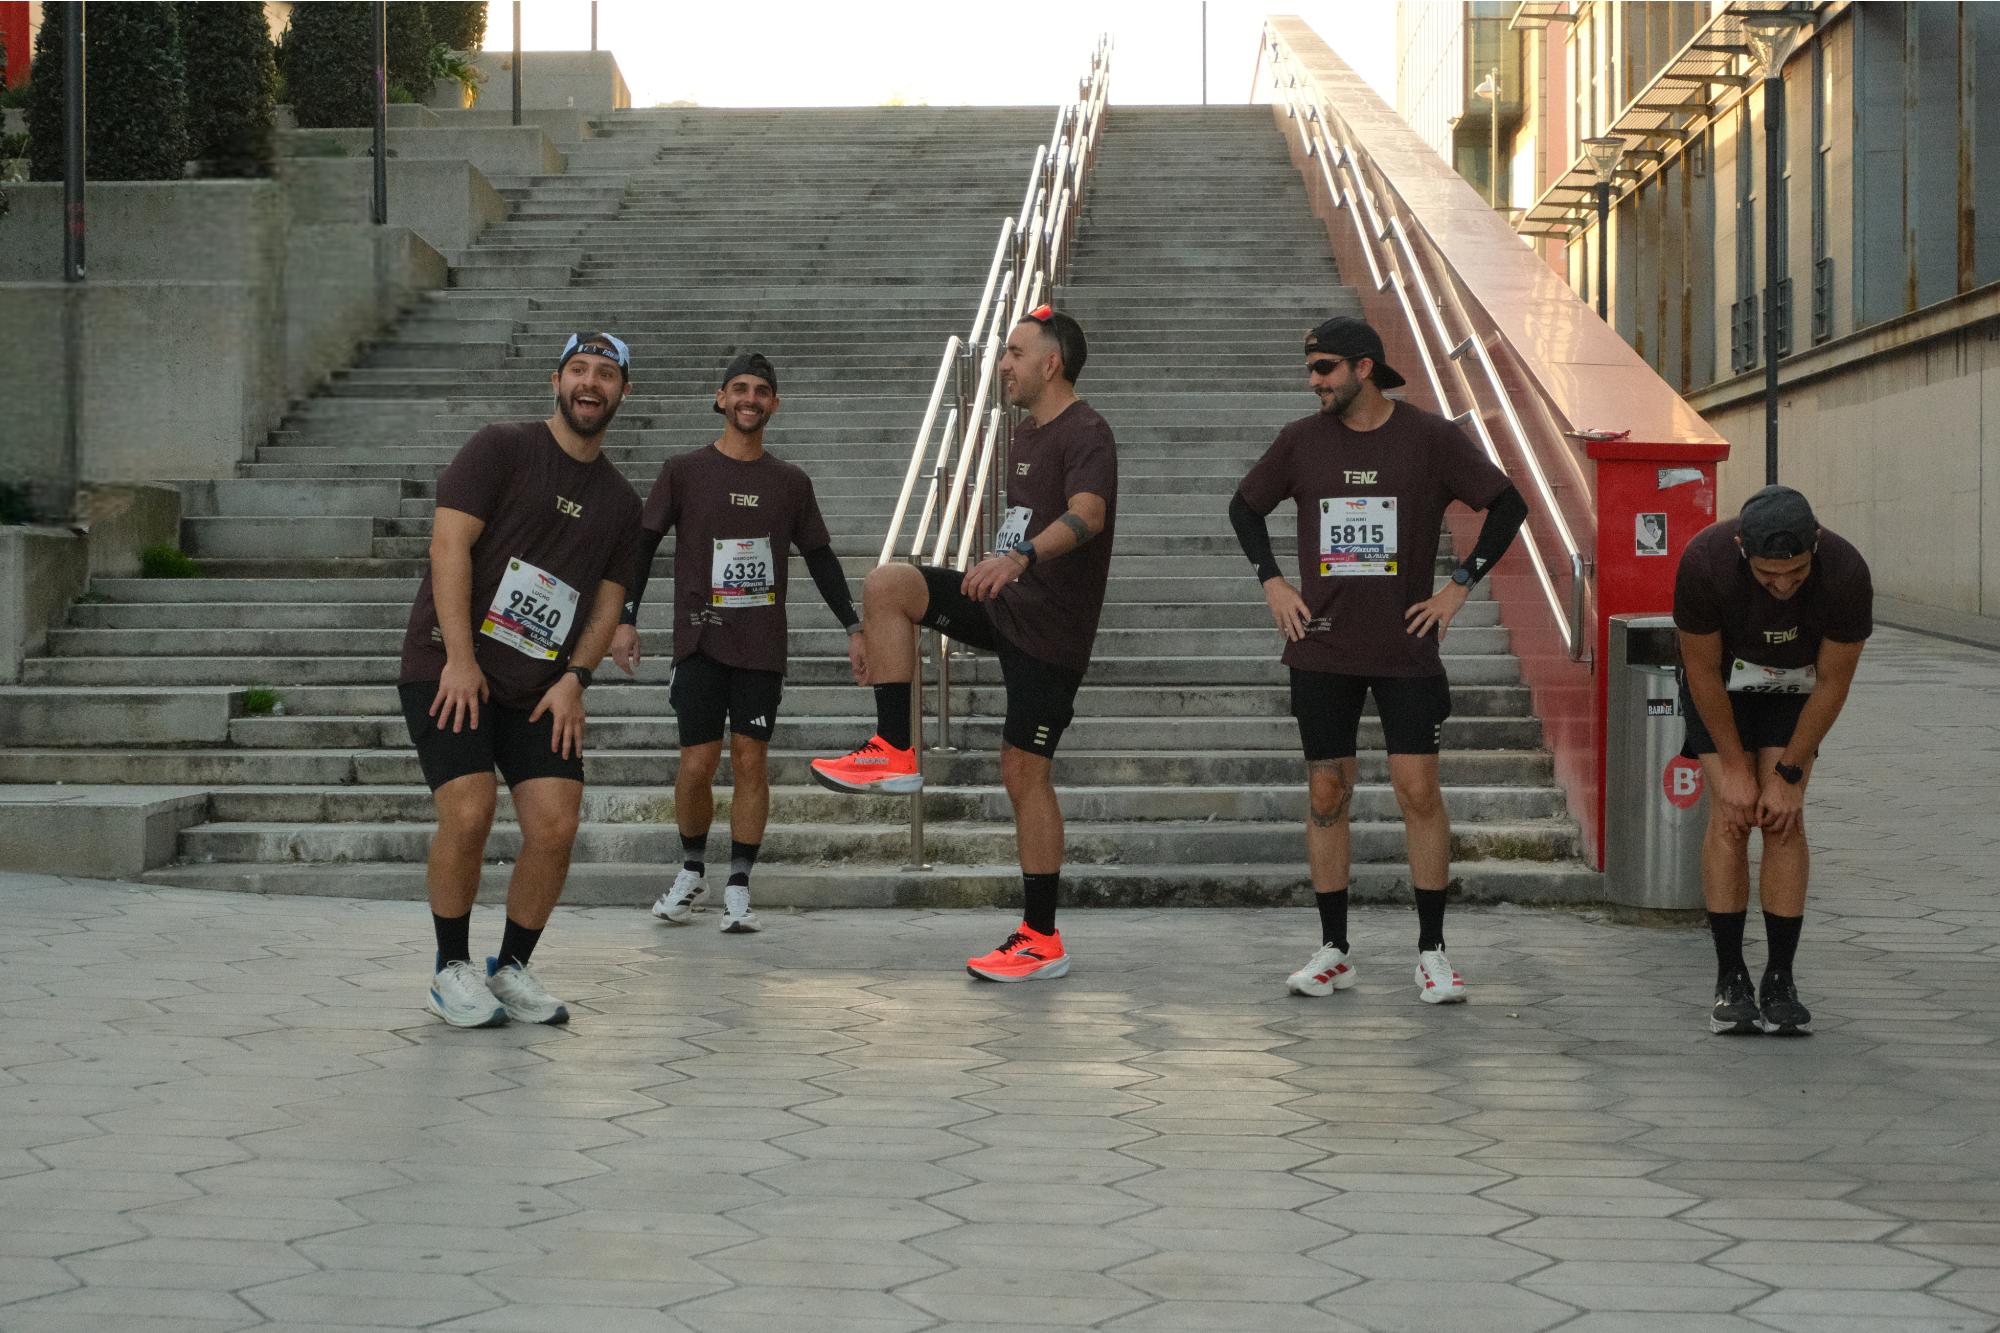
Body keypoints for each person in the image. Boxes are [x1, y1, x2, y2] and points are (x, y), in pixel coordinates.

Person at [809, 306, 1116, 982]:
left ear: (1050, 362)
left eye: (1013, 352)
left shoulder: (1086, 430)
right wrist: (1003, 564)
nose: (1002, 364)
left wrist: (1021, 558)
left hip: (1051, 633)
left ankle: (1041, 939)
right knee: (890, 585)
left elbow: (1088, 514)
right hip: (1008, 606)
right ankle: (893, 746)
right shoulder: (1027, 435)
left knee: (1022, 772)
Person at [1229, 316, 1528, 1004]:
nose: (1315, 382)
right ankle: (1334, 950)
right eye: (1310, 369)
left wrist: (1461, 583)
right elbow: (1244, 508)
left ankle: (1433, 951)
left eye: (1325, 368)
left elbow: (1508, 502)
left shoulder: (1429, 437)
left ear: (1365, 367)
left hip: (1405, 649)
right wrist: (1271, 579)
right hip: (1323, 646)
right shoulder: (1301, 441)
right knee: (1326, 792)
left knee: (1418, 791)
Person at [398, 332, 642, 1028]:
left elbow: (606, 600)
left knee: (556, 823)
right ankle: (451, 970)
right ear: (555, 380)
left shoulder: (622, 502)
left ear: (624, 392)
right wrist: (460, 657)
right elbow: (448, 545)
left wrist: (577, 678)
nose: (590, 384)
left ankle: (510, 970)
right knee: (469, 811)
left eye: (606, 374)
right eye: (579, 370)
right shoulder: (500, 448)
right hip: (450, 668)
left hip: (539, 685)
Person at [609, 352, 862, 934]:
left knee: (752, 760)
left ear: (774, 405)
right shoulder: (682, 470)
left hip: (761, 645)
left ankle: (741, 883)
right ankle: (692, 868)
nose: (750, 399)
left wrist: (853, 627)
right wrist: (626, 617)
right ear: (721, 399)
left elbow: (820, 558)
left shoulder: (790, 482)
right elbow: (641, 547)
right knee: (696, 763)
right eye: (740, 389)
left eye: (762, 392)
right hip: (698, 639)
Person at [1674, 485, 1872, 1037]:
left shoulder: (1846, 572)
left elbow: (1834, 682)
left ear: (1815, 545)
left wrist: (1788, 774)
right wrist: (1735, 769)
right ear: (1741, 548)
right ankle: (1730, 978)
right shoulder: (1704, 562)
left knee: (1784, 820)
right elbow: (1702, 671)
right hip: (1722, 692)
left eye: (1796, 572)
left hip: (1796, 691)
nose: (1783, 585)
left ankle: (1780, 979)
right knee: (1733, 816)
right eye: (1767, 576)